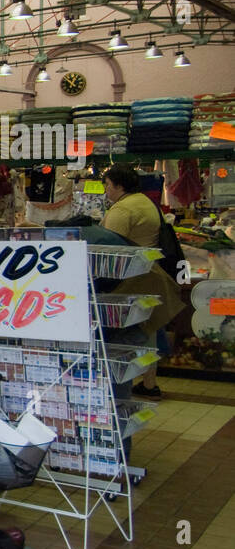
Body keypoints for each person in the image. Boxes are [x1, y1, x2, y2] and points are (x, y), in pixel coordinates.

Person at [101, 164, 182, 398]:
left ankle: (124, 383)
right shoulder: (145, 202)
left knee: (136, 332)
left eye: (107, 185)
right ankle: (149, 383)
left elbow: (111, 246)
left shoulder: (122, 209)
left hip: (132, 279)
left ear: (118, 185)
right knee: (149, 330)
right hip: (150, 273)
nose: (106, 190)